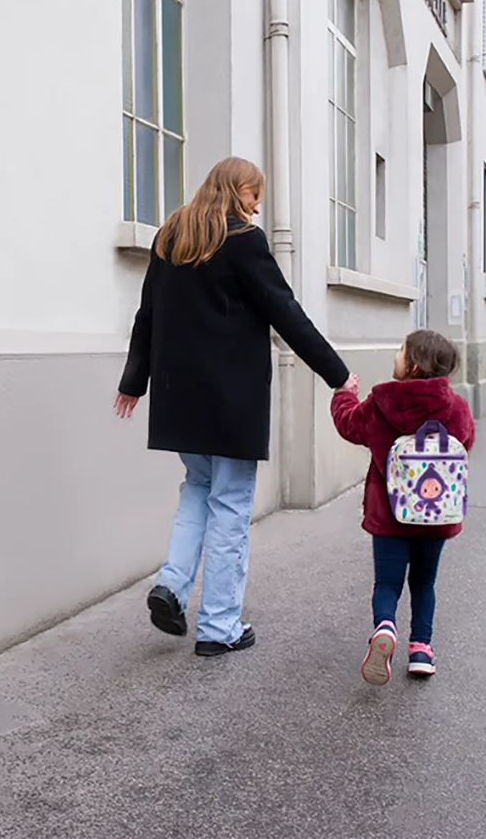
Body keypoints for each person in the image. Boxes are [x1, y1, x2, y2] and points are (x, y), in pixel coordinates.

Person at [115, 157, 351, 658]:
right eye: (252, 193)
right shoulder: (243, 240)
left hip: (180, 399)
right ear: (234, 190)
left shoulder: (170, 238)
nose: (257, 204)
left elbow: (147, 315)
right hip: (231, 400)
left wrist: (134, 382)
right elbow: (285, 311)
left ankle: (173, 586)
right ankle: (219, 626)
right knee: (230, 506)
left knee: (197, 489)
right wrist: (337, 373)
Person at [329, 330, 476, 685]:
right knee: (424, 582)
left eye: (400, 350)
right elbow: (466, 440)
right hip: (436, 514)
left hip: (391, 515)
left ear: (411, 365)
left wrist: (343, 396)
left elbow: (350, 426)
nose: (395, 354)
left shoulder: (381, 402)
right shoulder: (455, 406)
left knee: (387, 583)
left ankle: (385, 627)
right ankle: (421, 650)